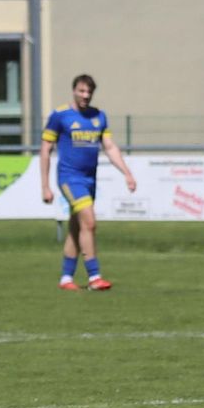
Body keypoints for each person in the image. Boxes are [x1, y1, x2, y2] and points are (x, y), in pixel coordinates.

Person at [40, 74, 136, 291]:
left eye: (89, 92)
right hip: (69, 178)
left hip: (89, 180)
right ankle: (94, 277)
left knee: (78, 228)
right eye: (81, 91)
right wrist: (45, 186)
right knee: (90, 223)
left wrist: (127, 173)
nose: (85, 95)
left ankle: (66, 278)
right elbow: (46, 149)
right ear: (74, 90)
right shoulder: (60, 115)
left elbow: (110, 147)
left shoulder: (99, 117)